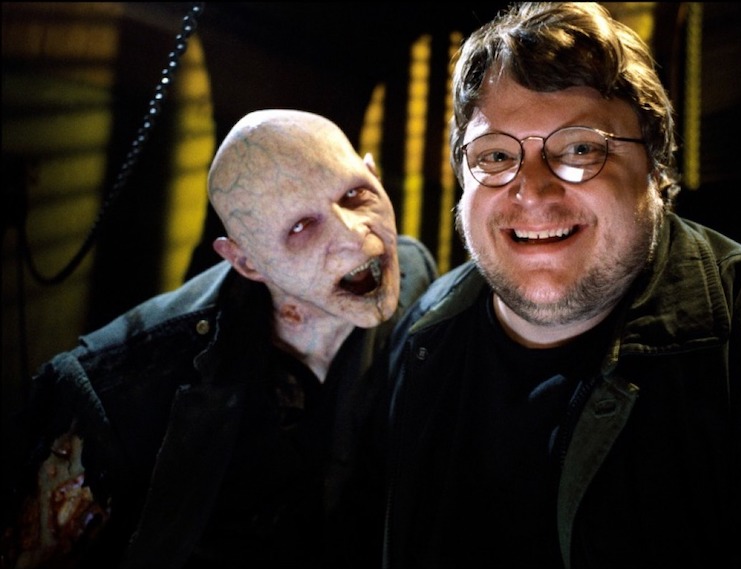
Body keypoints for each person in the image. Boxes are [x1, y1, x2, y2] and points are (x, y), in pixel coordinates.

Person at [381, 3, 741, 569]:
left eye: (580, 148)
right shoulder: (420, 333)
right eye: (497, 155)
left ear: (655, 164)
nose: (531, 190)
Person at [0, 109, 437, 569]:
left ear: (375, 175)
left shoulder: (413, 276)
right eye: (300, 227)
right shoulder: (121, 388)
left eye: (354, 194)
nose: (355, 236)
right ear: (246, 261)